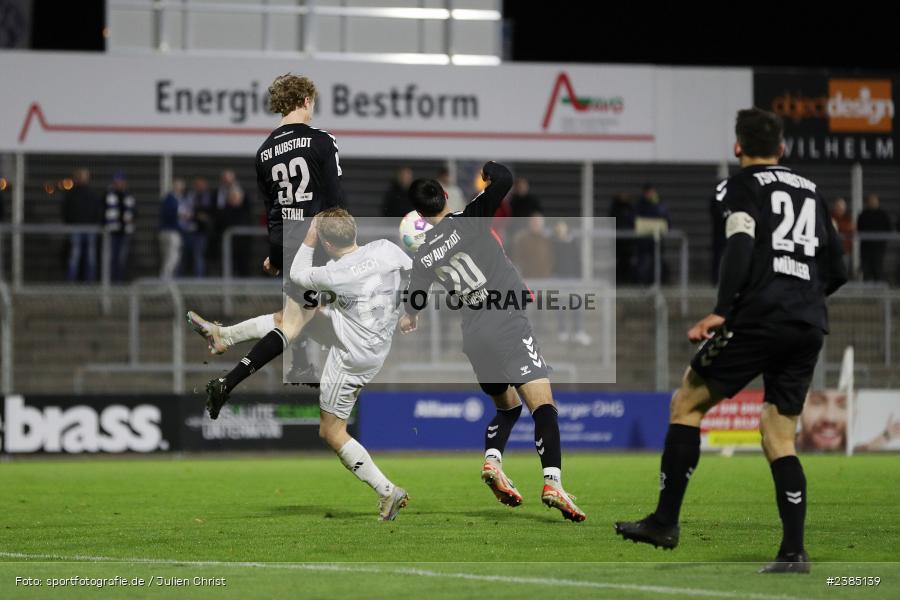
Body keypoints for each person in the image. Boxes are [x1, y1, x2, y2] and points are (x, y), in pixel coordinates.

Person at [614, 108, 848, 574]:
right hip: (807, 321)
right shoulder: (814, 192)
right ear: (782, 149)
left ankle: (664, 522)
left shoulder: (738, 187)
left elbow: (740, 246)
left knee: (687, 404)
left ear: (737, 147)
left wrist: (723, 309)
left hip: (758, 316)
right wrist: (802, 298)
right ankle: (793, 552)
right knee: (779, 436)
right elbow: (838, 268)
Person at [399, 161, 586, 523]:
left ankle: (493, 460)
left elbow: (415, 300)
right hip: (506, 322)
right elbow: (505, 179)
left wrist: (411, 316)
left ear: (420, 214)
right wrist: (488, 168)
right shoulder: (470, 218)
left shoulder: (423, 255)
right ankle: (553, 483)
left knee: (508, 408)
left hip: (475, 335)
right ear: (445, 197)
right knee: (543, 406)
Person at [195, 73, 344, 409]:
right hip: (321, 244)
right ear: (306, 101)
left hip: (290, 245)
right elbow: (335, 201)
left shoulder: (264, 153)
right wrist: (346, 249)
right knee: (321, 320)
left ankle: (227, 340)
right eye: (312, 104)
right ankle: (237, 372)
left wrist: (276, 255)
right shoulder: (322, 140)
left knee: (294, 320)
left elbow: (273, 212)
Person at [288, 208, 411, 520]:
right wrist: (411, 311)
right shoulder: (387, 248)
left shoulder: (332, 274)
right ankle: (232, 335)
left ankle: (387, 491)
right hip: (377, 343)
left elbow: (296, 273)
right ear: (354, 230)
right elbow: (415, 272)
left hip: (351, 353)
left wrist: (311, 235)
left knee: (331, 431)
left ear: (328, 244)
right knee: (306, 316)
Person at [552, 220, 591, 346]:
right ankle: (562, 331)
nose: (561, 231)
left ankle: (578, 331)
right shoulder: (554, 243)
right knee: (560, 305)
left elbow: (578, 260)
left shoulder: (573, 242)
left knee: (576, 304)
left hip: (573, 279)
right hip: (559, 279)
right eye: (558, 229)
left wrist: (580, 277)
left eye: (562, 228)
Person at [62, 168, 102, 282]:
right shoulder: (71, 194)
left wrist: (94, 224)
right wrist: (69, 224)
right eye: (80, 177)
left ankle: (90, 280)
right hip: (75, 228)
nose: (82, 179)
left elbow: (97, 210)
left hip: (90, 229)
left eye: (84, 177)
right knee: (75, 255)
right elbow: (66, 210)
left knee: (90, 256)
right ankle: (71, 280)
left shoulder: (92, 194)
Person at [634, 184, 670, 285]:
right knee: (643, 261)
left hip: (656, 239)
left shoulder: (659, 204)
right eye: (649, 192)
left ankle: (656, 282)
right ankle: (642, 282)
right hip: (644, 239)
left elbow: (665, 218)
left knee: (657, 261)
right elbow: (636, 219)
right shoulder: (640, 204)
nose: (651, 194)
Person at [104, 171, 136, 283]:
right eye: (117, 181)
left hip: (125, 232)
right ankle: (110, 281)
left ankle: (120, 281)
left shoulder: (129, 195)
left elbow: (134, 212)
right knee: (111, 258)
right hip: (112, 232)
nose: (119, 183)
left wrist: (131, 218)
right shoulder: (109, 195)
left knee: (122, 258)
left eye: (121, 181)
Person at [857, 193, 892, 282]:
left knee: (878, 270)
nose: (872, 203)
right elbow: (859, 228)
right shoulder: (863, 215)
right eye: (871, 201)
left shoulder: (883, 215)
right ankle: (865, 292)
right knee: (866, 271)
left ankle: (878, 290)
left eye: (874, 201)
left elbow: (888, 229)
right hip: (866, 248)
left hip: (879, 248)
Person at [186, 177, 214, 277]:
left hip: (203, 231)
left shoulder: (209, 197)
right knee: (191, 255)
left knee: (199, 255)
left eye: (201, 185)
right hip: (190, 230)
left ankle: (199, 277)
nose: (199, 187)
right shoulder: (191, 196)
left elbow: (210, 213)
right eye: (197, 185)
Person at [159, 179, 185, 279]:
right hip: (171, 232)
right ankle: (165, 280)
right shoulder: (172, 200)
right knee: (172, 258)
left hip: (166, 231)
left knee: (168, 257)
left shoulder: (168, 199)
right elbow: (173, 216)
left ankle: (166, 279)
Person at [609, 193, 635, 284]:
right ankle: (617, 281)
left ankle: (626, 281)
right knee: (618, 262)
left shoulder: (630, 209)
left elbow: (633, 222)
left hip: (628, 243)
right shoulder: (615, 209)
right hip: (618, 243)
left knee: (627, 262)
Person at [830, 198, 854, 277]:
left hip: (844, 249)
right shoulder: (830, 217)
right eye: (837, 207)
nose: (839, 210)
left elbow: (850, 230)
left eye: (841, 208)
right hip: (831, 250)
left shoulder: (848, 219)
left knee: (843, 270)